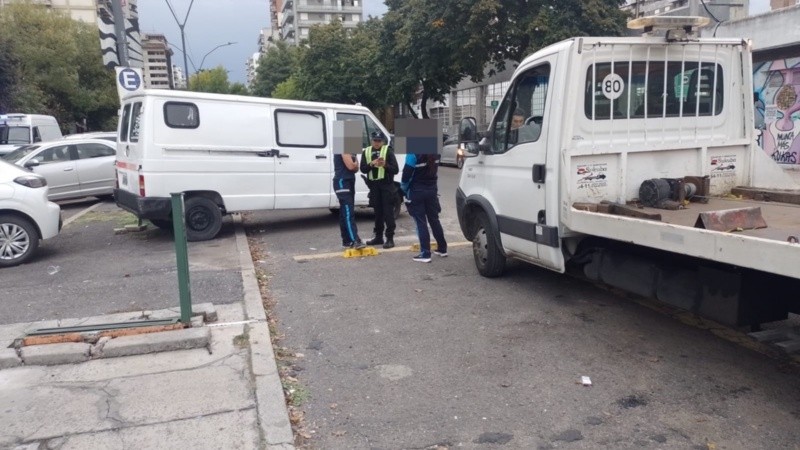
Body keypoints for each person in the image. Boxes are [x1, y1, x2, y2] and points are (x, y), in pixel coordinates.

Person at [401, 152, 447, 263]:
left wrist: (404, 190)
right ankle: (442, 248)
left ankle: (425, 253)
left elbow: (406, 176)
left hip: (417, 191)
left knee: (420, 222)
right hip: (432, 191)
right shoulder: (436, 153)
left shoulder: (413, 154)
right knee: (434, 220)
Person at [361, 131, 399, 249]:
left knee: (388, 212)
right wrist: (371, 164)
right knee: (378, 213)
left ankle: (390, 238)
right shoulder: (367, 151)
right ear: (371, 140)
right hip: (374, 186)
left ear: (382, 141)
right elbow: (363, 169)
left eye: (379, 141)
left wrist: (385, 165)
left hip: (387, 185)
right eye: (375, 140)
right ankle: (378, 237)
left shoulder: (388, 150)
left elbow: (395, 170)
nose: (377, 143)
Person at [333, 151, 365, 249]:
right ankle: (354, 239)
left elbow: (356, 167)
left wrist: (354, 165)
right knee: (348, 212)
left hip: (349, 180)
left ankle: (347, 240)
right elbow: (352, 166)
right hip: (343, 181)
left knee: (344, 211)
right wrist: (354, 164)